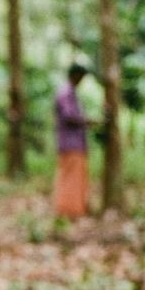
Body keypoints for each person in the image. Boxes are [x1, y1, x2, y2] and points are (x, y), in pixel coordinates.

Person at [53, 62, 94, 219]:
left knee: (77, 177)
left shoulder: (72, 93)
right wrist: (89, 121)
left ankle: (76, 209)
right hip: (70, 144)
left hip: (76, 144)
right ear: (75, 76)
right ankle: (68, 211)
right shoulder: (65, 93)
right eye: (81, 77)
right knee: (70, 177)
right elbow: (69, 117)